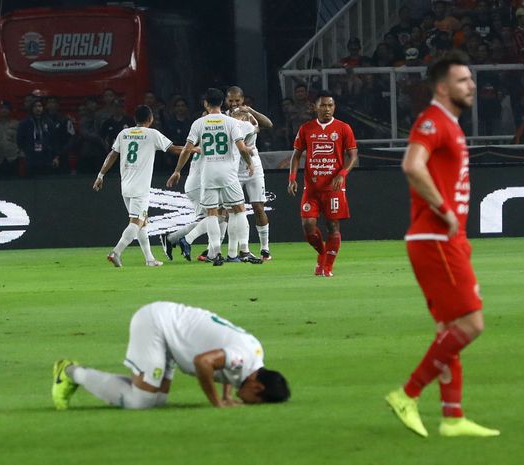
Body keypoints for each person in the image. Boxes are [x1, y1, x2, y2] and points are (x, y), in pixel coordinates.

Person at [384, 51, 500, 438]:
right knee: (471, 323)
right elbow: (411, 165)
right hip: (435, 237)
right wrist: (443, 209)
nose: (471, 85)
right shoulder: (433, 121)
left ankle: (452, 417)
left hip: (444, 239)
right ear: (442, 86)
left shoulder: (448, 123)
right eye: (463, 80)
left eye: (470, 79)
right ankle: (407, 393)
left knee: (449, 329)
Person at [51, 301, 290, 410]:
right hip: (157, 325)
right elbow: (203, 362)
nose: (251, 403)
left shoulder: (255, 356)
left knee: (156, 401)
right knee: (140, 402)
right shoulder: (243, 358)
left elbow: (229, 368)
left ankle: (77, 374)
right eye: (257, 401)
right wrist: (217, 401)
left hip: (172, 334)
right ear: (258, 388)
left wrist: (228, 396)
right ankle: (70, 372)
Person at [166, 88, 254, 266]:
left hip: (208, 174)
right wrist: (249, 163)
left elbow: (187, 149)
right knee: (239, 210)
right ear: (222, 103)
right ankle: (244, 250)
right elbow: (242, 147)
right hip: (228, 173)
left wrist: (177, 170)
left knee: (212, 214)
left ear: (206, 103)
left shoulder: (199, 123)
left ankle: (215, 253)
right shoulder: (230, 122)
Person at [93, 105, 188, 268]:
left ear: (135, 119)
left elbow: (112, 155)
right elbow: (175, 150)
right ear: (150, 119)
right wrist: (195, 149)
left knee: (143, 222)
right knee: (136, 222)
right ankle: (116, 252)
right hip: (140, 188)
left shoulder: (124, 134)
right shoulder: (152, 134)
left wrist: (100, 175)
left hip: (126, 186)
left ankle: (149, 259)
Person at [287, 90, 358, 277]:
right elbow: (296, 155)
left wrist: (342, 173)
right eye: (323, 105)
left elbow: (353, 155)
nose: (327, 109)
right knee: (308, 226)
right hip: (311, 188)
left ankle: (327, 266)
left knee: (333, 226)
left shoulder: (343, 128)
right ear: (315, 107)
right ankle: (323, 253)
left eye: (330, 105)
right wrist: (292, 178)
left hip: (333, 188)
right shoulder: (306, 128)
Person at [226, 85, 273, 260]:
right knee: (234, 210)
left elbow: (268, 124)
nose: (234, 103)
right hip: (233, 167)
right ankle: (238, 248)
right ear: (226, 101)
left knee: (258, 206)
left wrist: (250, 110)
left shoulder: (250, 115)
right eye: (230, 100)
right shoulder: (223, 117)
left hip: (254, 165)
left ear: (242, 100)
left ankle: (265, 248)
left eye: (237, 100)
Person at [17, 98, 58, 176]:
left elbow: (54, 140)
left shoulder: (49, 122)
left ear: (43, 108)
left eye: (40, 106)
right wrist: (24, 152)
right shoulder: (25, 123)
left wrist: (56, 157)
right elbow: (19, 140)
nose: (38, 108)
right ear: (31, 108)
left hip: (46, 156)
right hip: (31, 156)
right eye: (35, 106)